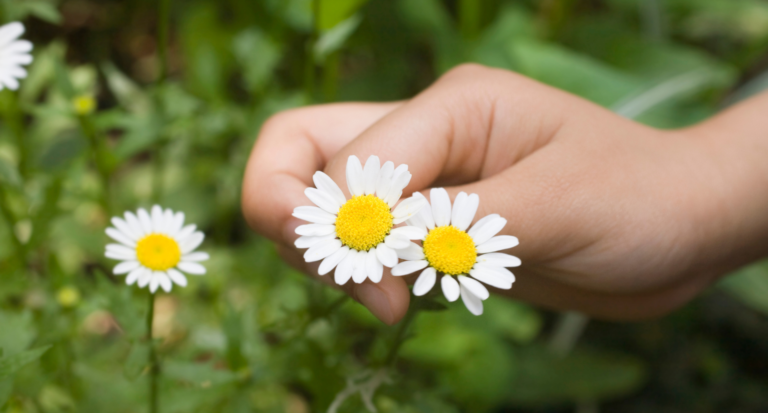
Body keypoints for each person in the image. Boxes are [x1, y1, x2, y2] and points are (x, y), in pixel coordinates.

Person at [242, 63, 768, 325]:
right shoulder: (373, 221)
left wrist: (705, 184)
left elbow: (439, 227)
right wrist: (709, 181)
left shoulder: (436, 235)